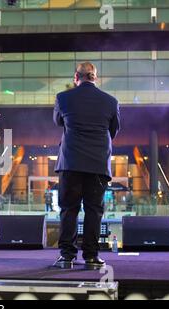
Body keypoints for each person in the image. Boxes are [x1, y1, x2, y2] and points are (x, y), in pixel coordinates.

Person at [53, 62, 120, 269]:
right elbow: (114, 130)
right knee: (93, 211)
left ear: (76, 77)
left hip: (71, 163)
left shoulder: (63, 98)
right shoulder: (110, 101)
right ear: (95, 77)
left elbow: (58, 122)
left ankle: (67, 257)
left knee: (68, 209)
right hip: (98, 164)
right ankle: (91, 257)